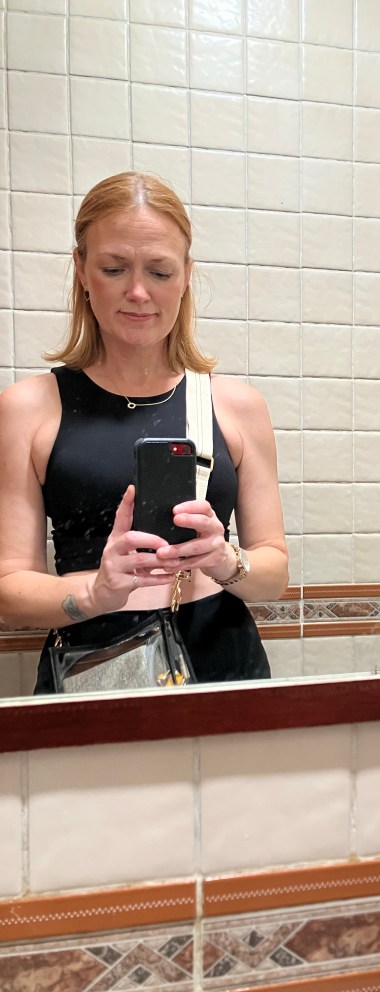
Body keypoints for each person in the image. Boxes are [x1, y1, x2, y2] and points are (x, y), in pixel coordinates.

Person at [0, 171, 288, 693]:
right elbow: (9, 589)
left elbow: (274, 574)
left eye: (160, 271)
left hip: (225, 665)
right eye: (114, 268)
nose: (137, 292)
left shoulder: (238, 407)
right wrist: (95, 593)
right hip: (92, 669)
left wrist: (225, 559)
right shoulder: (27, 408)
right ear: (82, 270)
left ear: (186, 276)